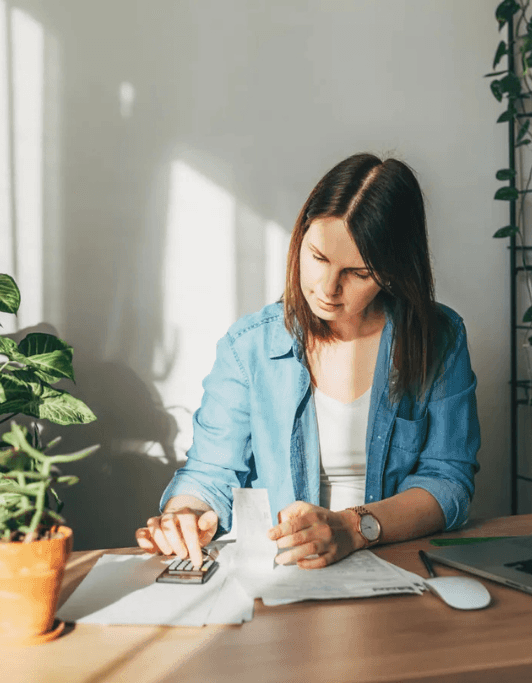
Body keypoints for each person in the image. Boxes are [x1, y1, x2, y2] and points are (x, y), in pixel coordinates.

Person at [135, 153, 481, 570]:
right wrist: (184, 516)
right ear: (300, 238)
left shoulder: (438, 339)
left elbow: (448, 480)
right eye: (318, 258)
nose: (328, 288)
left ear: (391, 271)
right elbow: (210, 472)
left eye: (357, 273)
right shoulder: (249, 348)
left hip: (398, 562)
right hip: (287, 572)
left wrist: (354, 529)